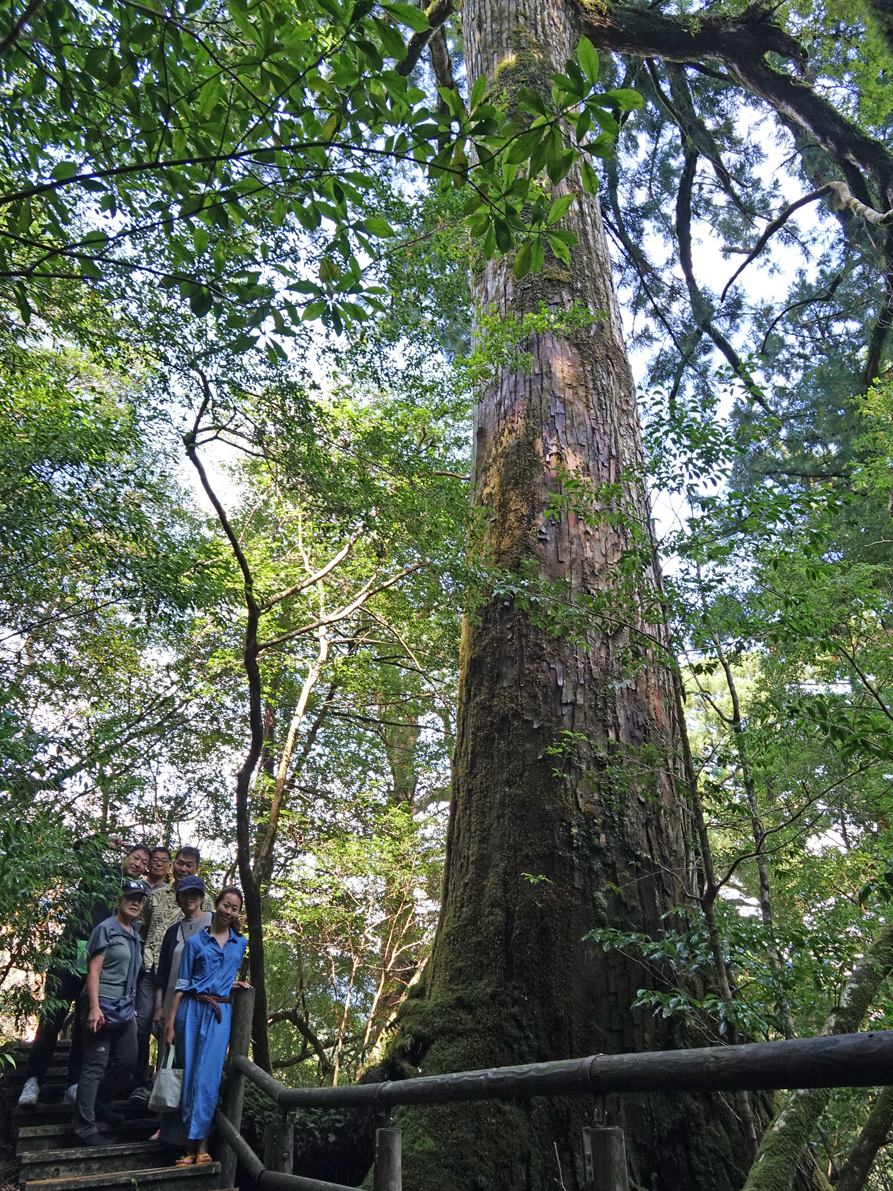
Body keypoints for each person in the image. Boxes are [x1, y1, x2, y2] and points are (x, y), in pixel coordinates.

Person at [18, 842, 151, 1110]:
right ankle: (33, 1079)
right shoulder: (101, 874)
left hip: (95, 964)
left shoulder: (134, 897)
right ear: (125, 856)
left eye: (144, 863)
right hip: (71, 954)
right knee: (51, 1019)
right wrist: (102, 840)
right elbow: (82, 849)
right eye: (135, 857)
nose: (139, 864)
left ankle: (72, 1085)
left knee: (83, 1026)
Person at [165, 888, 248, 1165]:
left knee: (208, 1079)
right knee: (189, 1077)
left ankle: (203, 1145)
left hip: (220, 1013)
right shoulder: (195, 943)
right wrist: (170, 1023)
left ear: (237, 912)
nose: (229, 911)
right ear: (217, 905)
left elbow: (226, 973)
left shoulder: (240, 943)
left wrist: (232, 984)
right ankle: (190, 1148)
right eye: (226, 905)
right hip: (191, 1011)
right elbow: (182, 983)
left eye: (234, 908)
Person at [130, 846, 213, 1105]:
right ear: (172, 865)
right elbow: (140, 930)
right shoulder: (155, 895)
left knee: (179, 1030)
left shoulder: (206, 901)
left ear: (196, 868)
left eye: (189, 865)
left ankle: (173, 1089)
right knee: (143, 1023)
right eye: (179, 863)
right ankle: (141, 1083)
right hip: (151, 969)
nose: (183, 868)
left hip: (189, 978)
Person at [74, 879, 149, 1146]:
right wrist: (94, 1007)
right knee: (95, 1064)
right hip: (101, 1004)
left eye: (140, 899)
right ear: (119, 899)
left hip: (125, 1008)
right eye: (130, 897)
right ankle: (84, 1127)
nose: (135, 902)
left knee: (128, 1061)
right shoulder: (105, 929)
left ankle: (99, 1103)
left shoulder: (134, 934)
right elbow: (92, 971)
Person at [152, 875, 212, 1063]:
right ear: (178, 899)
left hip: (203, 1003)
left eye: (194, 894)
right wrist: (159, 1007)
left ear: (202, 898)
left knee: (196, 1056)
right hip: (172, 1003)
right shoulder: (172, 932)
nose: (189, 898)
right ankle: (164, 1092)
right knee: (169, 1055)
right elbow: (162, 973)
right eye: (184, 894)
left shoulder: (214, 923)